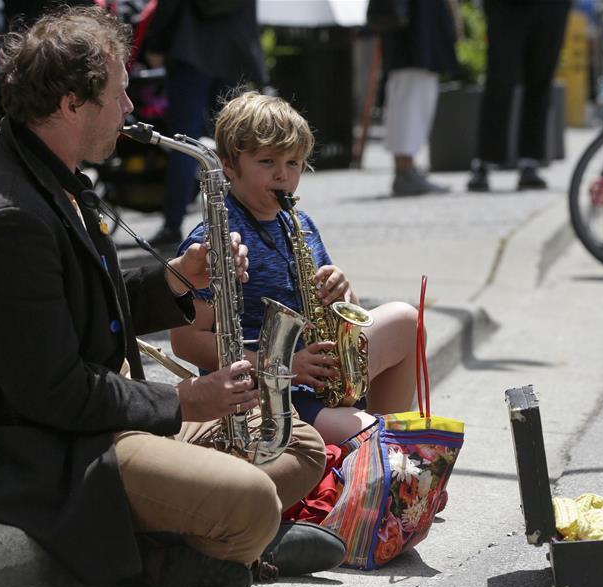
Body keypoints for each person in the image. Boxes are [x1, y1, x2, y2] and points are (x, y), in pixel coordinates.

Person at [0, 6, 343, 587]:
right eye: (119, 95)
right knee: (251, 500)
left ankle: (215, 538)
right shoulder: (6, 220)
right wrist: (181, 401)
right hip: (40, 450)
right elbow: (53, 395)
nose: (130, 111)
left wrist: (176, 279)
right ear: (72, 103)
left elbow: (80, 305)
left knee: (299, 444)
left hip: (92, 416)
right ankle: (190, 546)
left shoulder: (40, 165)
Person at [171, 90, 420, 445]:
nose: (283, 176)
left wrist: (343, 290)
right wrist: (282, 367)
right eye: (267, 162)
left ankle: (380, 449)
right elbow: (186, 341)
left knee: (406, 320)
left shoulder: (299, 222)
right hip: (270, 396)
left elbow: (345, 312)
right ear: (228, 164)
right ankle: (375, 449)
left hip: (317, 374)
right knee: (379, 440)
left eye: (293, 163)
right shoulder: (216, 241)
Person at [142, 0, 266, 248]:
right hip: (234, 48)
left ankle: (172, 224)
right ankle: (251, 220)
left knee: (184, 142)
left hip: (191, 48)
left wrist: (155, 42)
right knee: (237, 141)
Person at [467, 0, 571, 192]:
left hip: (551, 7)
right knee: (499, 78)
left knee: (541, 79)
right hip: (506, 7)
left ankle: (530, 162)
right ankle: (485, 160)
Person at [374, 0, 459, 197]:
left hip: (415, 24)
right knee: (411, 92)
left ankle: (407, 168)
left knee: (414, 90)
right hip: (414, 24)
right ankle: (405, 168)